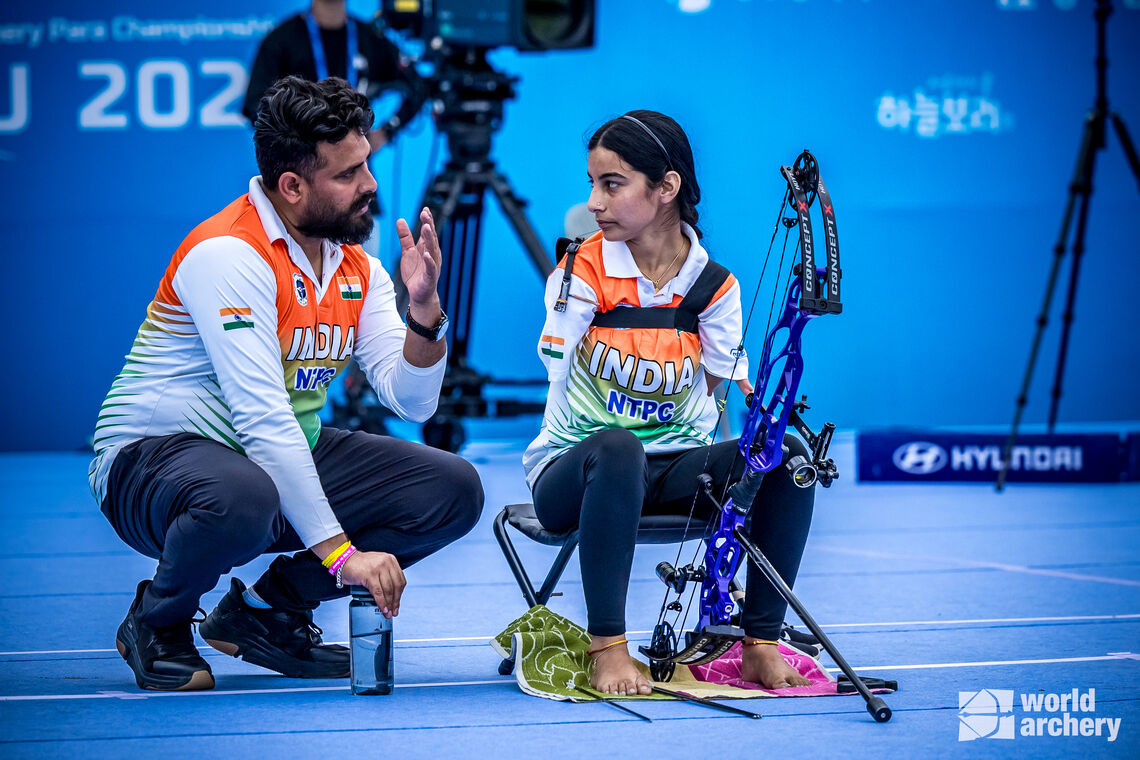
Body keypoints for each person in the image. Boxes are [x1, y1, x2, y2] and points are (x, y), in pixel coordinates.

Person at [90, 75, 482, 692]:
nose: (371, 186)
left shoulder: (356, 260)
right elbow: (263, 421)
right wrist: (344, 558)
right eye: (348, 174)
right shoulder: (227, 253)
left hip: (270, 460)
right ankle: (155, 622)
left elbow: (410, 400)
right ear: (292, 186)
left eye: (367, 165)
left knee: (453, 488)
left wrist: (425, 312)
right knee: (243, 497)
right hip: (151, 463)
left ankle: (268, 614)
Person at [524, 110, 816, 696]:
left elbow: (714, 393)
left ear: (666, 188)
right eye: (592, 184)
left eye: (612, 184)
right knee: (619, 446)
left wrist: (744, 466)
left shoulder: (716, 286)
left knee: (784, 452)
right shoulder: (581, 267)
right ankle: (607, 646)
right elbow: (555, 365)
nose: (595, 202)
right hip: (573, 474)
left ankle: (759, 642)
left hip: (676, 474)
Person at [243, 0, 425, 156]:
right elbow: (256, 106)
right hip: (305, 164)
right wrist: (297, 140)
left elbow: (419, 86)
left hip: (356, 164)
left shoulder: (370, 38)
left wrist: (388, 130)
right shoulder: (281, 40)